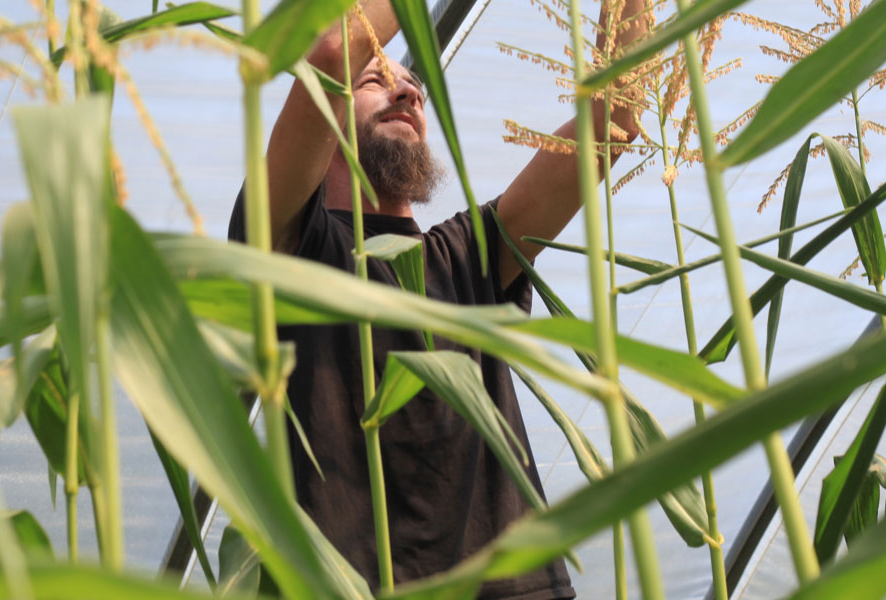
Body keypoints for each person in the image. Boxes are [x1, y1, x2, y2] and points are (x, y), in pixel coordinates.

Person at [229, 1, 648, 598]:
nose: (406, 95)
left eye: (415, 92)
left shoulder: (470, 259)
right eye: (375, 82)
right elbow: (329, 53)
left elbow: (614, 123)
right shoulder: (291, 245)